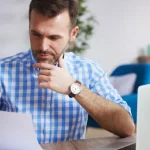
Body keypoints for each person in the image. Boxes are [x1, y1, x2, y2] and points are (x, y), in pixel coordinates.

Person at [0, 0, 135, 144]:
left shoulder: (89, 70)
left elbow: (127, 128)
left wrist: (74, 88)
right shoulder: (3, 71)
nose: (43, 46)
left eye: (54, 37)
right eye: (36, 34)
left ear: (73, 33)